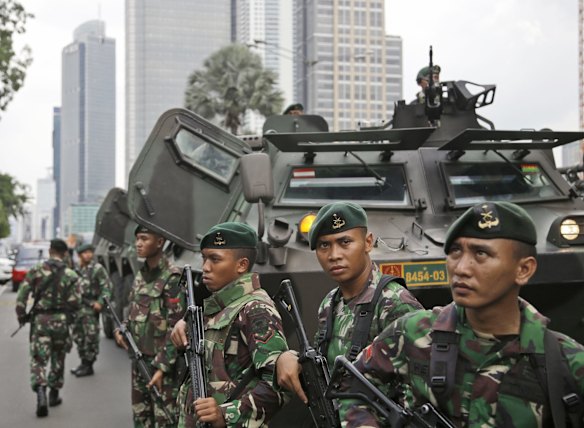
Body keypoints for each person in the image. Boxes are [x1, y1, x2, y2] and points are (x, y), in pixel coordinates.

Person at [341, 201, 584, 427]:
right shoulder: (412, 333)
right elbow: (353, 387)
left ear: (524, 269)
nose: (461, 268)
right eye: (456, 252)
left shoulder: (566, 364)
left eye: (481, 254)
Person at [275, 201, 423, 419]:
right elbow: (323, 368)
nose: (334, 255)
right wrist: (289, 358)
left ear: (368, 242)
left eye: (345, 242)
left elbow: (421, 393)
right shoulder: (331, 303)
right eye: (324, 245)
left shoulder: (395, 303)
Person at [170, 221, 289, 427]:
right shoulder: (221, 305)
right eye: (204, 258)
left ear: (241, 265)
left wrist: (226, 415)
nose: (205, 267)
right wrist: (184, 325)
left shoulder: (255, 309)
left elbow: (278, 385)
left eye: (215, 259)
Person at [114, 225, 185, 427]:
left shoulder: (172, 278)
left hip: (162, 367)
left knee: (164, 420)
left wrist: (161, 368)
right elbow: (135, 313)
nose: (138, 243)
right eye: (137, 238)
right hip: (139, 361)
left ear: (160, 242)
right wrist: (122, 328)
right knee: (141, 417)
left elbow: (177, 328)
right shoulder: (140, 276)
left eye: (144, 238)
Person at [15, 238, 81, 417]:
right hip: (61, 321)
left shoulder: (36, 271)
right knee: (58, 357)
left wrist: (22, 316)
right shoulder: (71, 275)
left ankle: (41, 392)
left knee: (38, 358)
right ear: (65, 253)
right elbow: (76, 303)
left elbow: (22, 296)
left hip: (41, 321)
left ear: (50, 250)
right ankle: (54, 394)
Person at [70, 243, 113, 377]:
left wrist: (100, 302)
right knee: (78, 336)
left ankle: (89, 365)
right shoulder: (75, 269)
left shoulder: (97, 268)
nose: (88, 255)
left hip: (90, 308)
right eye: (85, 253)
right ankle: (83, 362)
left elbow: (107, 287)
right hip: (77, 308)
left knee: (90, 336)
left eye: (90, 252)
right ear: (79, 255)